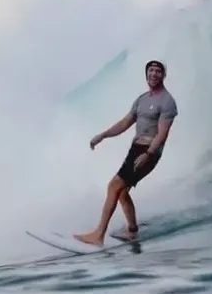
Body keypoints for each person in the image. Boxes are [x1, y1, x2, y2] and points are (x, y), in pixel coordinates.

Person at [73, 59, 178, 246]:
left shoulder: (167, 102)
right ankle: (132, 231)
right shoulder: (142, 99)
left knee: (114, 186)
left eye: (158, 71)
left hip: (148, 151)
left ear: (163, 75)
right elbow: (125, 123)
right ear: (146, 74)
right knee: (121, 192)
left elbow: (162, 134)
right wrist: (103, 135)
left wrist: (149, 153)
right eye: (151, 70)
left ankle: (98, 235)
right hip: (136, 148)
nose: (153, 74)